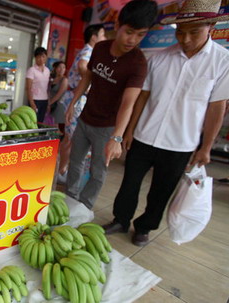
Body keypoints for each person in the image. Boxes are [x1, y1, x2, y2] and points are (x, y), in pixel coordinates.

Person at [103, 0, 229, 247]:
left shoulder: (224, 62)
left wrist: (206, 148)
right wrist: (129, 130)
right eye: (180, 32)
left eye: (193, 32)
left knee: (161, 191)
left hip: (180, 143)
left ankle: (144, 227)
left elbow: (217, 107)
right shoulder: (160, 58)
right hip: (144, 136)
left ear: (212, 26)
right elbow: (143, 96)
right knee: (129, 183)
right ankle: (120, 219)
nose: (184, 39)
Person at [64, 0, 158, 210]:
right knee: (75, 162)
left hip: (107, 128)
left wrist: (117, 136)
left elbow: (128, 103)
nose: (132, 40)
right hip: (86, 118)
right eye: (129, 32)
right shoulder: (101, 47)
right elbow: (88, 76)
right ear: (117, 25)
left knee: (98, 171)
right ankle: (70, 199)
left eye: (141, 34)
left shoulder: (138, 64)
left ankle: (84, 207)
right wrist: (73, 102)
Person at [58, 24, 106, 180]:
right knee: (74, 139)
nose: (104, 38)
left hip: (75, 98)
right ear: (94, 37)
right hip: (77, 100)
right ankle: (63, 171)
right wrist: (96, 80)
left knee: (69, 138)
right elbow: (82, 66)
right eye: (102, 34)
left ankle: (61, 170)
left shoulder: (88, 51)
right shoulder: (88, 51)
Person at [26, 47, 50, 123]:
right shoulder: (31, 70)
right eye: (38, 56)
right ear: (35, 58)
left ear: (46, 57)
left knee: (41, 122)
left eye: (43, 56)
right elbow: (28, 88)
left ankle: (40, 134)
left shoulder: (47, 70)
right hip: (35, 100)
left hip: (44, 100)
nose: (41, 59)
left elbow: (46, 87)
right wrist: (32, 102)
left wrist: (48, 102)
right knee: (33, 121)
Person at [48, 61, 68, 134]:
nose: (62, 69)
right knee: (51, 124)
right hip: (51, 104)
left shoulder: (64, 80)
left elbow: (59, 94)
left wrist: (49, 103)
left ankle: (57, 142)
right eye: (60, 67)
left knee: (56, 125)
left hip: (58, 105)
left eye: (63, 67)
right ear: (55, 68)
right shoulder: (52, 79)